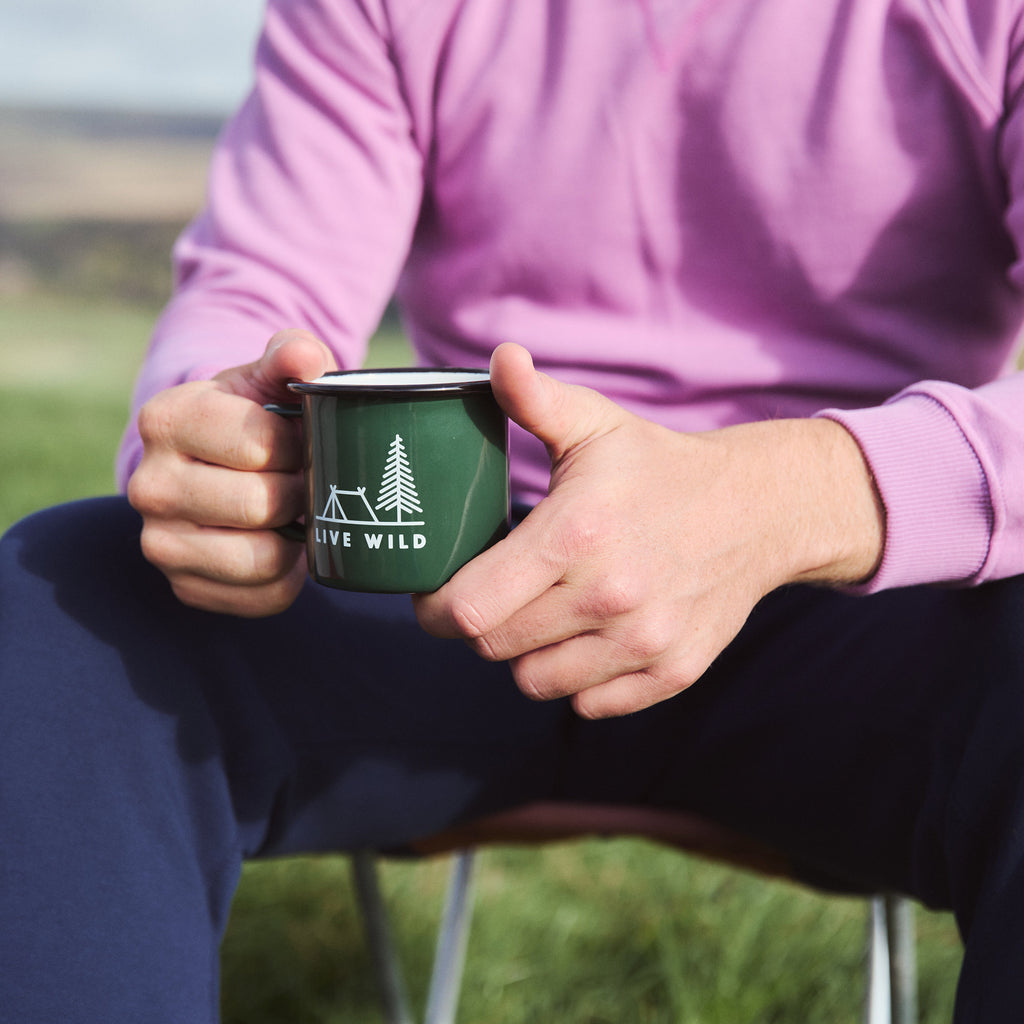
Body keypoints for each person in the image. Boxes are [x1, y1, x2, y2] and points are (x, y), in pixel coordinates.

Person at [3, 0, 1024, 1018]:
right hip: (459, 588)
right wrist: (218, 447)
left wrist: (783, 497)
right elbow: (264, 285)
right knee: (71, 599)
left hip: (857, 595)